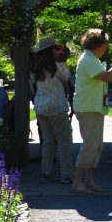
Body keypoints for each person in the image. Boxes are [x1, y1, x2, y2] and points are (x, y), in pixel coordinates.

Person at [72, 28, 112, 193]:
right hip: (88, 108)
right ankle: (77, 182)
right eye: (105, 44)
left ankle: (88, 182)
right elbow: (108, 77)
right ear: (98, 45)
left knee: (96, 146)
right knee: (90, 146)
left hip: (94, 107)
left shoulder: (92, 59)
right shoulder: (88, 60)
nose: (106, 47)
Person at [29, 36, 74, 183]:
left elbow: (31, 88)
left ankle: (46, 173)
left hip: (41, 107)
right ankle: (66, 174)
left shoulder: (34, 69)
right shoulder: (57, 67)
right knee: (64, 140)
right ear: (52, 51)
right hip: (57, 106)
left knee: (48, 140)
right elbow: (69, 81)